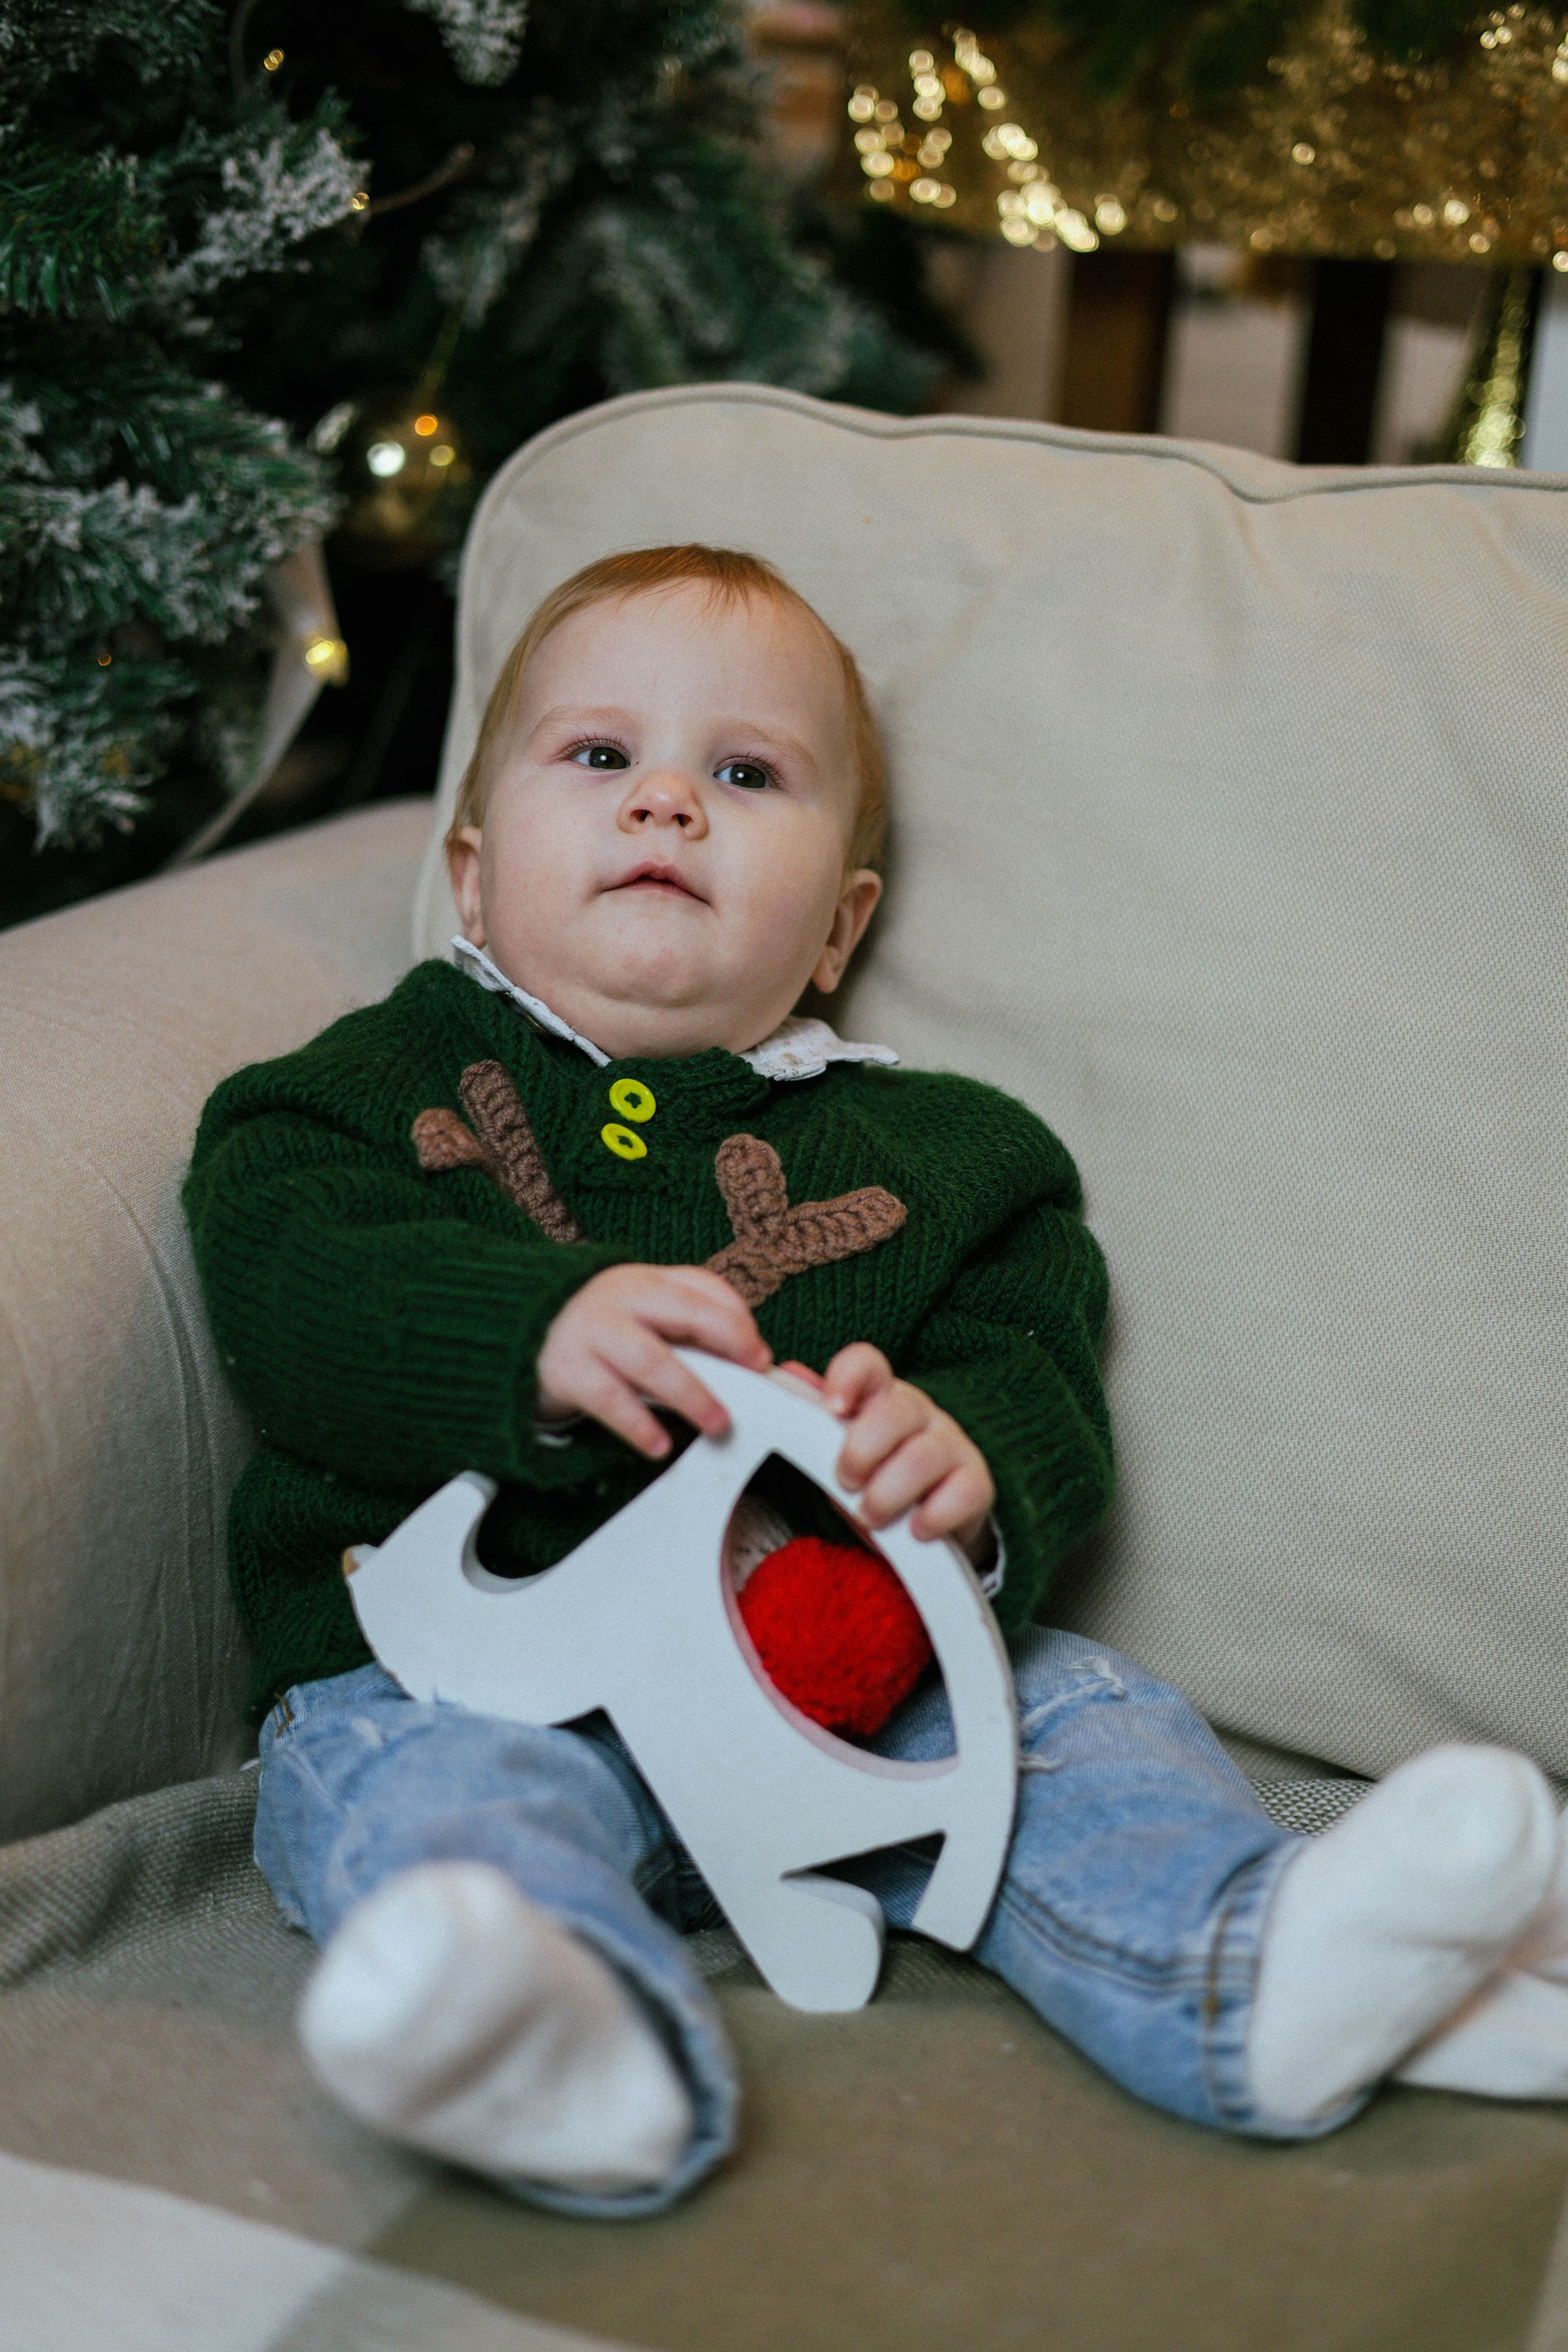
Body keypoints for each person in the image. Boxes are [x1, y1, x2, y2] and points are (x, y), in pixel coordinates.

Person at [184, 543, 1568, 2219]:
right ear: (472, 878)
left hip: (839, 1690)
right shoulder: (351, 1095)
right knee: (427, 1813)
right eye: (601, 756)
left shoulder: (960, 1162)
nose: (667, 805)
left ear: (841, 923)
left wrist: (965, 1469)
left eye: (745, 773)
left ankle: (1246, 1973)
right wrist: (529, 1333)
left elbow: (1033, 1373)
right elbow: (291, 1273)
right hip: (453, 1681)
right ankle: (563, 2040)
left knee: (1082, 1712)